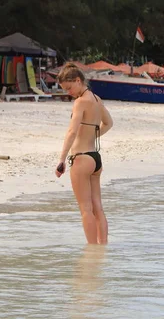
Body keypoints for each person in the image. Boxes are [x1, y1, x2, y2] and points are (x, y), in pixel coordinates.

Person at [55, 62, 113, 244]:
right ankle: (102, 249)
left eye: (69, 88)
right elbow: (109, 123)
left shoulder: (80, 102)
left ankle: (92, 251)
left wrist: (61, 159)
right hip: (96, 159)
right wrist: (93, 137)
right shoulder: (96, 99)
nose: (68, 92)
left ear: (78, 81)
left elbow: (72, 132)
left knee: (86, 209)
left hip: (81, 159)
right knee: (98, 208)